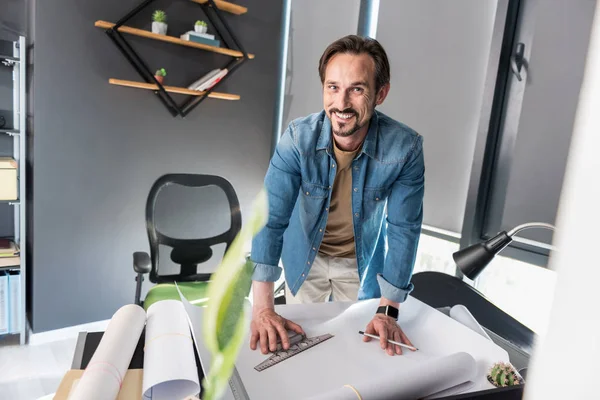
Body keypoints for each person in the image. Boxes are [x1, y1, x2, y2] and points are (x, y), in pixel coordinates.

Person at [249, 35, 425, 357]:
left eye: (357, 89)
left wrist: (388, 311)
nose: (341, 103)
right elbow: (270, 219)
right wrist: (262, 308)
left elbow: (404, 228)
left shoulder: (405, 148)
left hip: (360, 261)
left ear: (380, 93)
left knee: (357, 348)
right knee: (302, 346)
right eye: (333, 87)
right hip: (305, 257)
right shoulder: (296, 139)